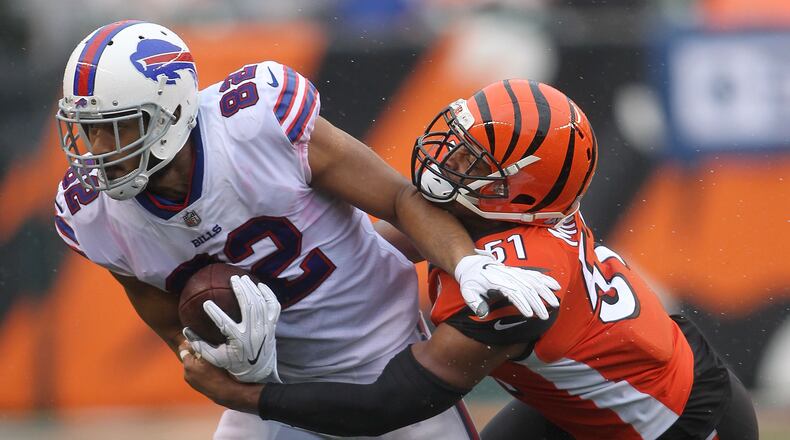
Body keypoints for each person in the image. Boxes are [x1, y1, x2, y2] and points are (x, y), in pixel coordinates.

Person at [53, 21, 562, 439]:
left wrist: (464, 261)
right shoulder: (92, 215)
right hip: (274, 385)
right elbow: (177, 335)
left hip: (383, 351)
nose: (97, 148)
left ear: (173, 110)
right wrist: (224, 361)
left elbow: (399, 199)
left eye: (117, 126)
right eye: (87, 129)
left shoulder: (255, 122)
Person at [182, 79, 760, 440]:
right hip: (617, 385)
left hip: (674, 424)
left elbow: (386, 405)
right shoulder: (494, 216)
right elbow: (367, 249)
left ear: (523, 190)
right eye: (458, 142)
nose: (448, 160)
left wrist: (250, 397)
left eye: (472, 159)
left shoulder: (517, 286)